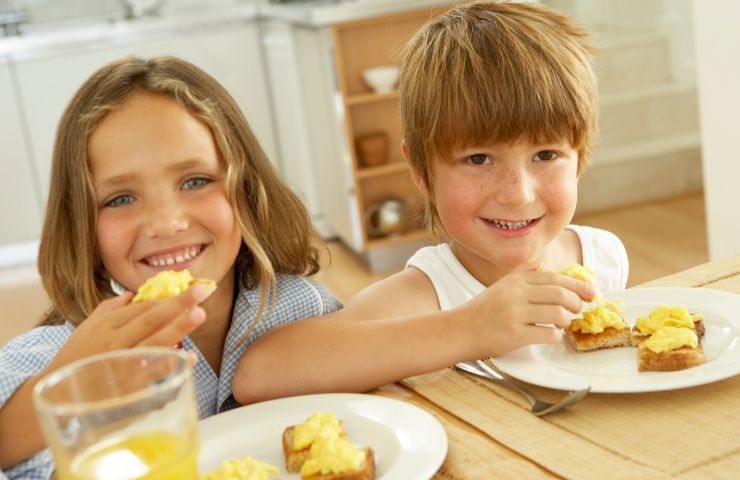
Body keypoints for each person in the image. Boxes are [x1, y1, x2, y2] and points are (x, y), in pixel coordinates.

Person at [232, 1, 627, 404]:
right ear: (421, 171)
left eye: (545, 155)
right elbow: (260, 375)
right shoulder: (419, 297)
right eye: (478, 159)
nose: (518, 193)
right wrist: (469, 329)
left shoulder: (603, 257)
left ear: (582, 157)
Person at [0, 56, 341, 478]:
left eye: (195, 181)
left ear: (247, 191)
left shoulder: (304, 306)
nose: (166, 223)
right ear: (82, 228)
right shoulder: (49, 358)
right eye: (120, 199)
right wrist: (77, 384)